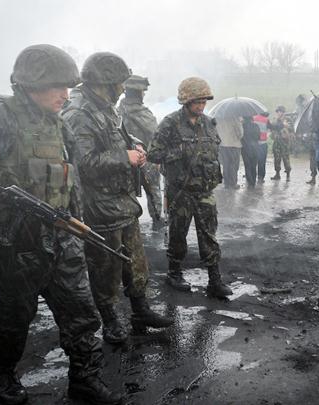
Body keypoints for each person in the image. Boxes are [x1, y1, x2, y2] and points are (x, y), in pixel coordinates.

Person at [0, 45, 122, 405]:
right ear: (31, 84)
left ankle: (85, 379)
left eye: (68, 87)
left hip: (61, 236)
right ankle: (3, 375)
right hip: (18, 241)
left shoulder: (59, 124)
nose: (66, 94)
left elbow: (70, 177)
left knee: (81, 311)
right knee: (15, 314)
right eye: (58, 86)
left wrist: (78, 225)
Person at [62, 52, 172, 345]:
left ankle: (141, 311)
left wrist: (132, 143)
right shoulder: (79, 113)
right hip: (99, 208)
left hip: (122, 202)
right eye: (120, 83)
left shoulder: (106, 108)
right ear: (105, 83)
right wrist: (125, 156)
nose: (124, 89)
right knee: (106, 269)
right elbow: (83, 163)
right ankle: (110, 322)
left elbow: (115, 139)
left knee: (136, 263)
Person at [147, 77, 232, 298]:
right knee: (178, 234)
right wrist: (180, 152)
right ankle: (174, 274)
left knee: (209, 236)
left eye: (204, 101)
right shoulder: (170, 123)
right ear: (185, 101)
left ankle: (215, 280)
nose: (201, 106)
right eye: (197, 102)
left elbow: (214, 150)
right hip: (180, 191)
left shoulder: (208, 123)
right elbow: (153, 154)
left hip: (204, 191)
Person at [117, 75, 164, 231]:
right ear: (138, 93)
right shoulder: (142, 112)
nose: (144, 94)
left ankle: (128, 223)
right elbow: (156, 135)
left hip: (126, 160)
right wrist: (156, 159)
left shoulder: (117, 111)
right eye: (143, 91)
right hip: (145, 158)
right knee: (154, 191)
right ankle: (157, 219)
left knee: (127, 193)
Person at [216, 116, 243, 189]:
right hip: (234, 145)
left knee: (226, 164)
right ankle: (233, 183)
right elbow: (240, 133)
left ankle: (227, 184)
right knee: (234, 165)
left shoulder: (218, 119)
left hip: (223, 145)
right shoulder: (234, 118)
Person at [269, 106, 293, 181]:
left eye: (280, 111)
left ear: (283, 112)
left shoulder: (287, 119)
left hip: (284, 142)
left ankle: (288, 174)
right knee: (277, 158)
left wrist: (286, 126)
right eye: (277, 111)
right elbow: (272, 128)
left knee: (286, 158)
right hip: (276, 142)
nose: (278, 113)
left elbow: (292, 129)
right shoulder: (275, 120)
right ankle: (277, 174)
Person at [241, 116, 260, 189]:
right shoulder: (256, 126)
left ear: (244, 118)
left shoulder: (242, 126)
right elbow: (259, 137)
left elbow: (240, 136)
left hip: (245, 148)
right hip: (255, 148)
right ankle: (253, 182)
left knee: (247, 166)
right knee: (254, 166)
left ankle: (250, 182)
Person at [253, 112, 270, 183]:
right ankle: (260, 177)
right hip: (263, 144)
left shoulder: (253, 118)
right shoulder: (266, 120)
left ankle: (252, 176)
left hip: (254, 144)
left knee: (253, 161)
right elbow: (271, 127)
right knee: (262, 161)